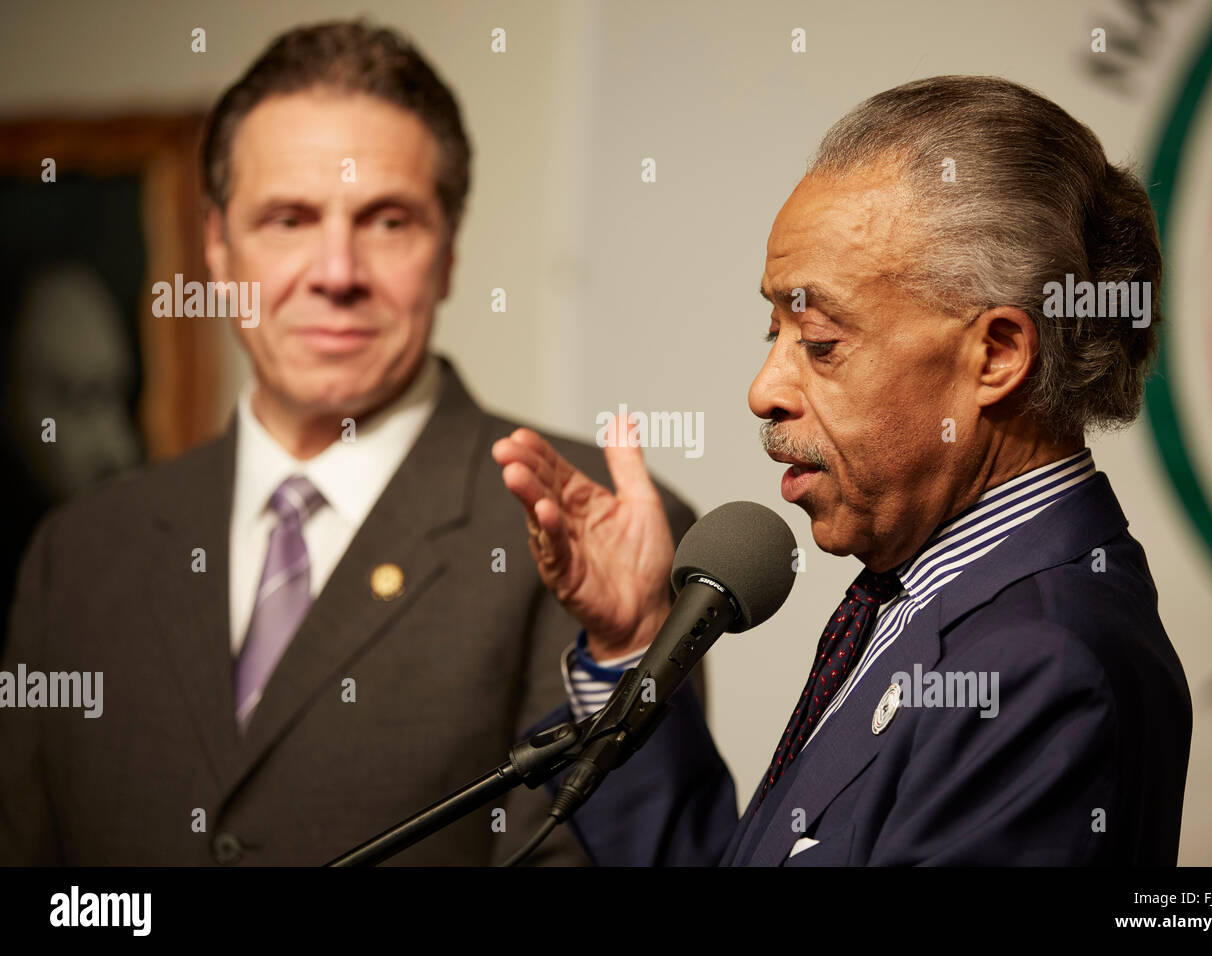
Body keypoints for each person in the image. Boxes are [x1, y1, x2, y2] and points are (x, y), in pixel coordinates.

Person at [0, 20, 693, 866]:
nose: (336, 271)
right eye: (288, 218)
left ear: (448, 253)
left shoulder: (597, 530)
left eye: (388, 220)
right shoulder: (78, 550)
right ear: (217, 246)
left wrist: (627, 655)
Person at [493, 75, 1193, 866]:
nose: (763, 391)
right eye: (773, 330)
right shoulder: (933, 592)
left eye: (820, 341)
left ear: (996, 354)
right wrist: (630, 646)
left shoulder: (1043, 666)